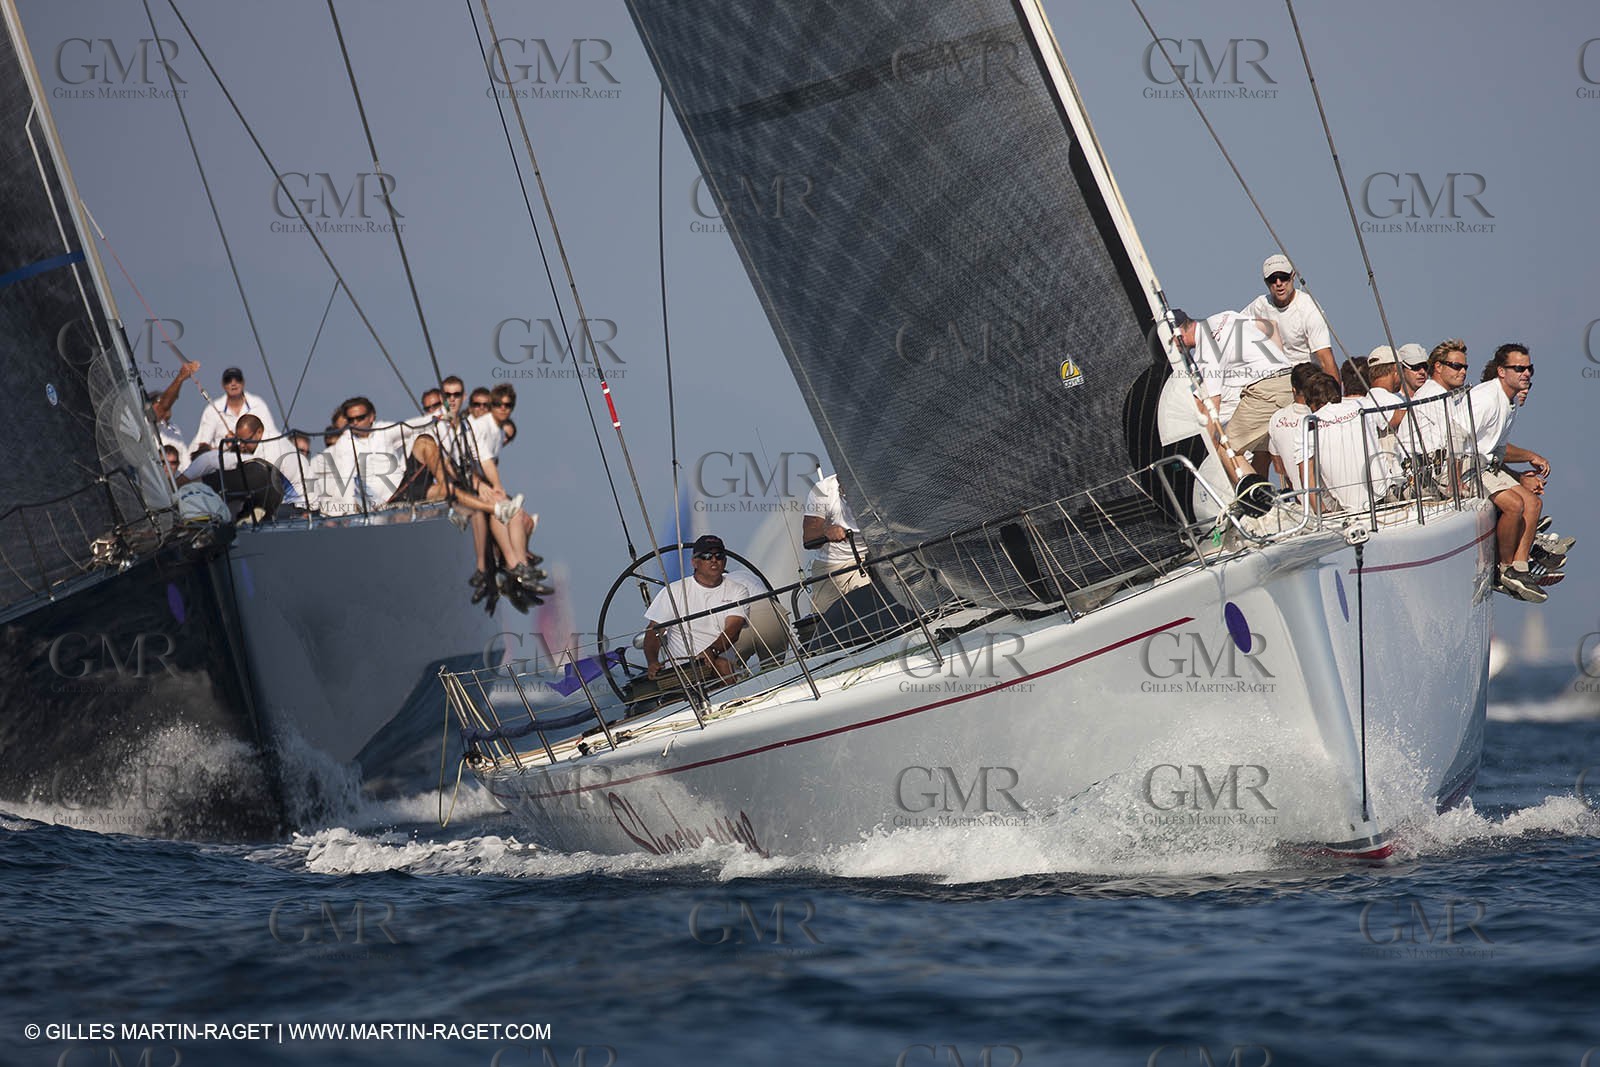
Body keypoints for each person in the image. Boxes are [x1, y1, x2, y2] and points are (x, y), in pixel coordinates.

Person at [1459, 344, 1562, 602]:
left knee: (1533, 503)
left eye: (1529, 368)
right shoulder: (1486, 398)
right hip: (1466, 466)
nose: (1526, 373)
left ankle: (1520, 567)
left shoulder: (1507, 402)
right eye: (1519, 368)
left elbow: (1498, 449)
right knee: (1515, 506)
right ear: (1501, 371)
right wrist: (1453, 480)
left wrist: (1526, 465)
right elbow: (1457, 436)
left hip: (1485, 465)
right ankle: (1504, 570)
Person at [1171, 308, 1291, 481]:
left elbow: (1212, 405)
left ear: (1179, 333)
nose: (1172, 349)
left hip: (1267, 390)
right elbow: (1270, 326)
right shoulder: (1223, 317)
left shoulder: (1204, 349)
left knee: (1224, 445)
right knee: (1261, 450)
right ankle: (1263, 498)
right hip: (1289, 380)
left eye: (1170, 342)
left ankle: (1257, 504)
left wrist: (1206, 456)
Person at [643, 534, 752, 683]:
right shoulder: (674, 591)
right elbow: (654, 631)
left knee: (721, 664)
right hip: (684, 671)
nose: (714, 560)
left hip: (721, 666)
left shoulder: (738, 590)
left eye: (719, 555)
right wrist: (652, 661)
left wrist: (711, 652)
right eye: (707, 556)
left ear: (725, 561)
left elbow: (733, 630)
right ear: (695, 562)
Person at [1242, 254, 1337, 378]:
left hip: (1307, 377)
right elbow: (1231, 325)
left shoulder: (1309, 308)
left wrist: (1336, 395)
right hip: (1275, 376)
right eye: (1273, 279)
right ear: (1266, 283)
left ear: (1293, 276)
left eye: (1283, 277)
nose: (1279, 283)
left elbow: (1325, 358)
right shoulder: (1260, 305)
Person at [802, 471, 873, 614]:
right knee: (825, 619)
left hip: (867, 559)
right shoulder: (822, 490)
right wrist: (826, 533)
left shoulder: (878, 488)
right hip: (829, 565)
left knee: (869, 607)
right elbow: (808, 538)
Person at [1265, 366, 1332, 495]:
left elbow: (1279, 468)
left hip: (1303, 500)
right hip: (1335, 502)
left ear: (1293, 390)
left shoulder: (1276, 418)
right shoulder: (1327, 414)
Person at [189, 366, 277, 454]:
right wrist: (226, 446)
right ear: (223, 385)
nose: (233, 383)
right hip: (225, 462)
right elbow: (202, 446)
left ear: (243, 382)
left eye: (237, 379)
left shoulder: (258, 404)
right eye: (228, 380)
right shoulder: (212, 410)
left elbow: (272, 435)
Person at [146, 359, 199, 454]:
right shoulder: (147, 425)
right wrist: (180, 377)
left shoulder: (174, 429)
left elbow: (185, 462)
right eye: (159, 401)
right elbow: (163, 406)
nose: (168, 405)